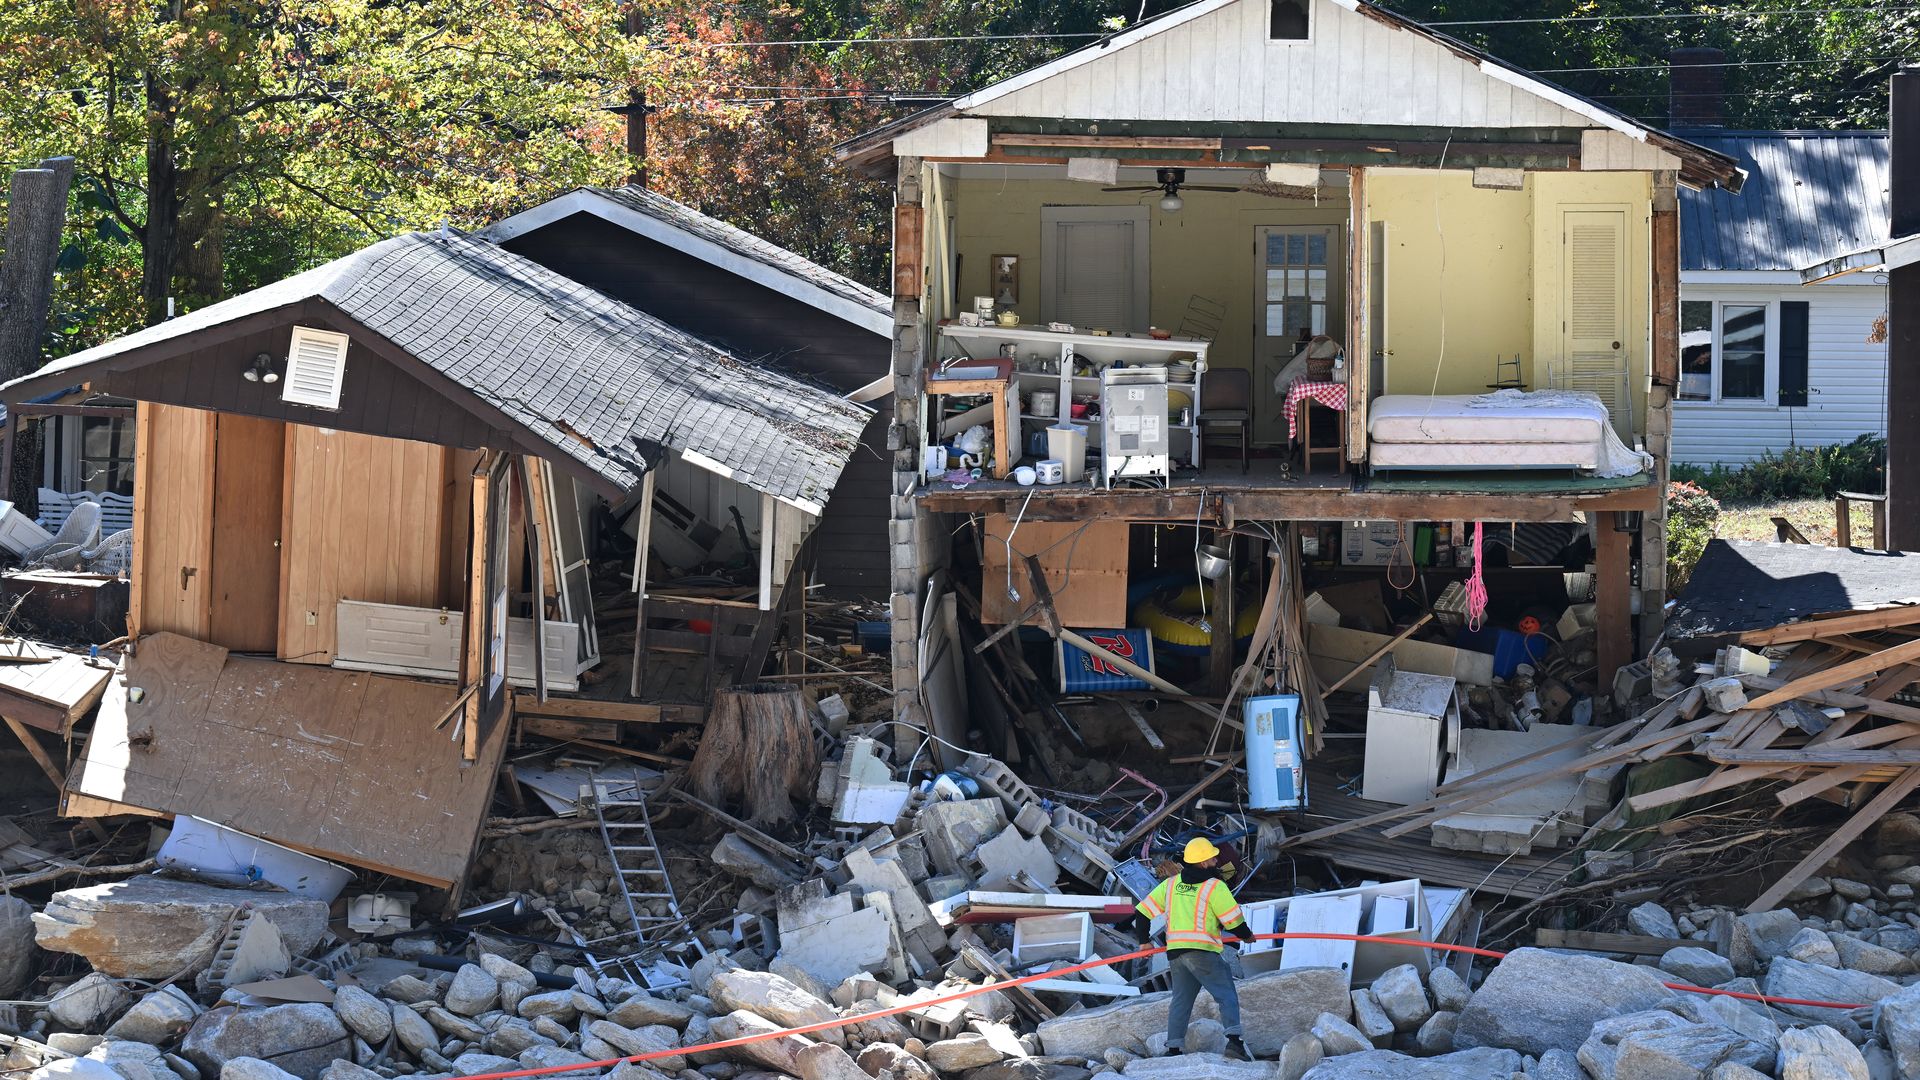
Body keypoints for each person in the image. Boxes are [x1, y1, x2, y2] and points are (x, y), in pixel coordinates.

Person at [1133, 837, 1256, 1059]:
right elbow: (1233, 922)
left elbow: (1142, 911)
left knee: (1181, 1000)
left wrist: (1144, 941)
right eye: (1212, 858)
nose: (1216, 860)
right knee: (1226, 994)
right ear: (1202, 862)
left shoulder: (1171, 885)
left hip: (1177, 954)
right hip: (1202, 951)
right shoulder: (1215, 886)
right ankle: (1235, 1044)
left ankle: (1173, 1048)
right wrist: (1247, 936)